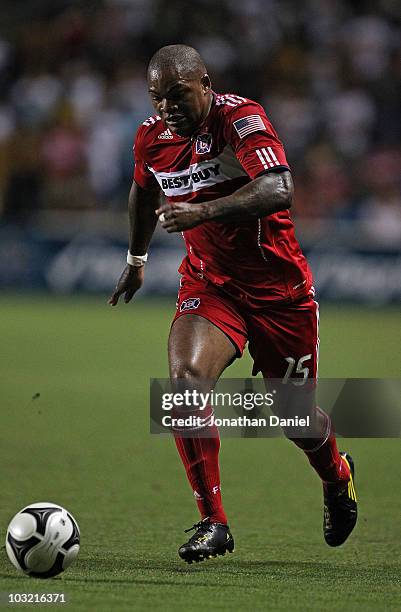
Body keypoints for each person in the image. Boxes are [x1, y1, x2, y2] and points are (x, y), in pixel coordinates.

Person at [109, 44, 357, 564]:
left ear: (205, 83)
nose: (167, 108)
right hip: (211, 285)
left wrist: (204, 212)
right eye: (158, 98)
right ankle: (213, 521)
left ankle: (337, 477)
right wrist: (136, 258)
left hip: (279, 293)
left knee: (292, 415)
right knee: (184, 385)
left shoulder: (239, 118)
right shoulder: (151, 137)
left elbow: (280, 186)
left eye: (178, 95)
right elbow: (143, 192)